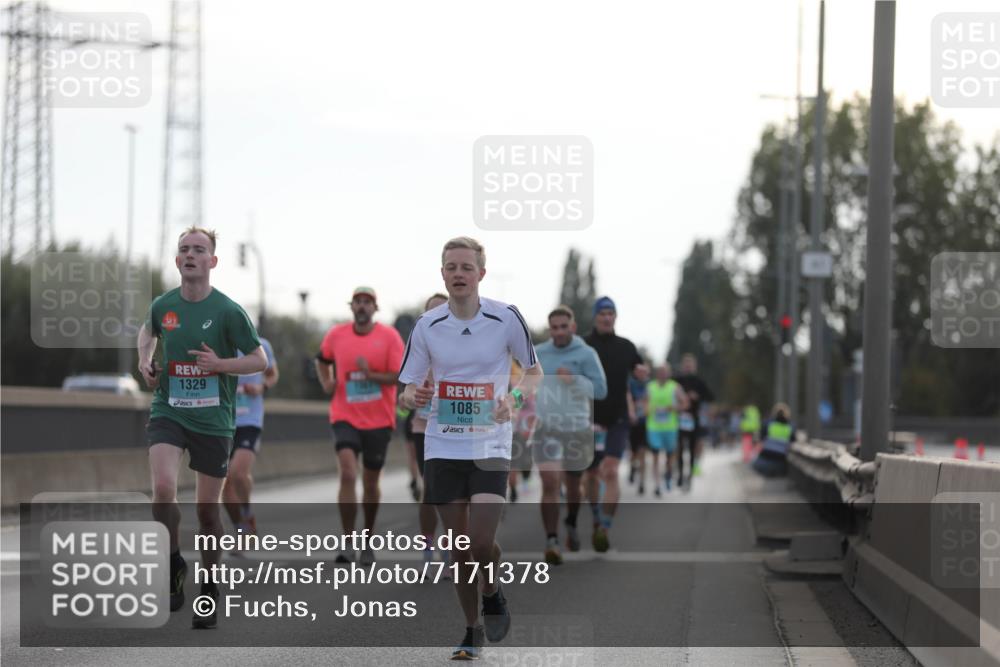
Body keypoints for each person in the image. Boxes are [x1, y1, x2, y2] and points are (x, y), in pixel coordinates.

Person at [398, 236, 541, 660]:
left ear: (481, 272)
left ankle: (493, 590)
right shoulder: (427, 326)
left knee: (480, 543)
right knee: (459, 548)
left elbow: (533, 373)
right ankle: (471, 629)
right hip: (441, 444)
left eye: (465, 267)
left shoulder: (506, 318)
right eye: (450, 267)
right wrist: (413, 399)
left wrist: (512, 401)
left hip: (489, 442)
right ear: (442, 273)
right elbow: (407, 388)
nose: (458, 274)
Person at [138, 227, 268, 629]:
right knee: (162, 490)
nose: (190, 255)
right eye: (184, 250)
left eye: (199, 250)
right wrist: (146, 361)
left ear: (212, 261)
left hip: (214, 420)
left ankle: (209, 586)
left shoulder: (228, 311)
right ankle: (175, 561)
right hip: (170, 410)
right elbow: (148, 332)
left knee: (207, 511)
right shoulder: (164, 305)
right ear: (177, 261)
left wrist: (221, 366)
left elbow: (259, 359)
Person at [315, 286, 404, 565]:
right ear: (351, 307)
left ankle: (367, 539)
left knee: (370, 482)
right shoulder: (336, 334)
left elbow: (397, 377)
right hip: (344, 415)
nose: (362, 306)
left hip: (379, 419)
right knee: (348, 474)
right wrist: (327, 381)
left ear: (375, 308)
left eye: (368, 302)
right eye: (358, 302)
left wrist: (370, 375)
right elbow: (322, 359)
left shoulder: (389, 337)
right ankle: (348, 542)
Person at [533, 305, 607, 562]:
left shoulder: (586, 354)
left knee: (574, 487)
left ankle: (572, 523)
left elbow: (600, 390)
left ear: (573, 327)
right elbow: (526, 382)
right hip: (546, 427)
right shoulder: (539, 353)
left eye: (564, 327)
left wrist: (575, 379)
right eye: (554, 327)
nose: (559, 332)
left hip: (577, 427)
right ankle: (552, 539)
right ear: (549, 329)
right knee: (550, 481)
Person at [584, 297, 649, 552]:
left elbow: (639, 372)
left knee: (610, 471)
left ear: (616, 317)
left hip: (618, 419)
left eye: (611, 313)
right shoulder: (583, 346)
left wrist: (642, 375)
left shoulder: (627, 346)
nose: (607, 317)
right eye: (603, 313)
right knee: (590, 475)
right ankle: (596, 516)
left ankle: (605, 527)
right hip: (588, 419)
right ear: (595, 317)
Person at [402, 292, 451, 577]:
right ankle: (428, 549)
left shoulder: (465, 344)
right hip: (424, 429)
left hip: (459, 428)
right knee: (431, 493)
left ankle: (450, 550)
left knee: (455, 496)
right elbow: (405, 394)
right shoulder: (418, 348)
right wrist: (409, 399)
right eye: (430, 313)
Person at [223, 335, 279, 539]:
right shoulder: (218, 345)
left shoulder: (262, 345)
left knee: (237, 473)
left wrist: (261, 387)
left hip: (250, 420)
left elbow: (272, 374)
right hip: (223, 422)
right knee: (225, 486)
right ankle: (241, 528)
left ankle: (247, 514)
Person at [643, 363, 689, 496]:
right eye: (660, 371)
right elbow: (645, 402)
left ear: (669, 373)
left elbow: (685, 403)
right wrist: (646, 409)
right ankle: (657, 485)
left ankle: (668, 474)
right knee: (655, 454)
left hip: (670, 427)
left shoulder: (675, 387)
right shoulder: (650, 386)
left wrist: (674, 408)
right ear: (657, 373)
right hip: (654, 427)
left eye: (665, 372)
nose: (663, 374)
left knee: (670, 456)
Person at [675, 353, 715, 490]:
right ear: (682, 366)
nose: (688, 367)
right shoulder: (676, 380)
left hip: (694, 419)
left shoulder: (699, 381)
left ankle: (690, 476)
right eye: (685, 365)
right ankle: (680, 474)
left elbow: (710, 396)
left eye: (690, 365)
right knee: (679, 448)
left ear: (694, 367)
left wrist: (698, 396)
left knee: (692, 449)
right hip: (678, 418)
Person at [752, 403, 796, 477]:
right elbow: (793, 441)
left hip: (764, 461)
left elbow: (761, 439)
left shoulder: (768, 424)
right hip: (781, 462)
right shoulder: (790, 427)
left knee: (753, 463)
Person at [627, 372, 649, 491]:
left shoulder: (650, 385)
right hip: (633, 424)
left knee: (642, 453)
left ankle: (641, 482)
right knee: (633, 452)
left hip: (645, 424)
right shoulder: (631, 383)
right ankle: (632, 467)